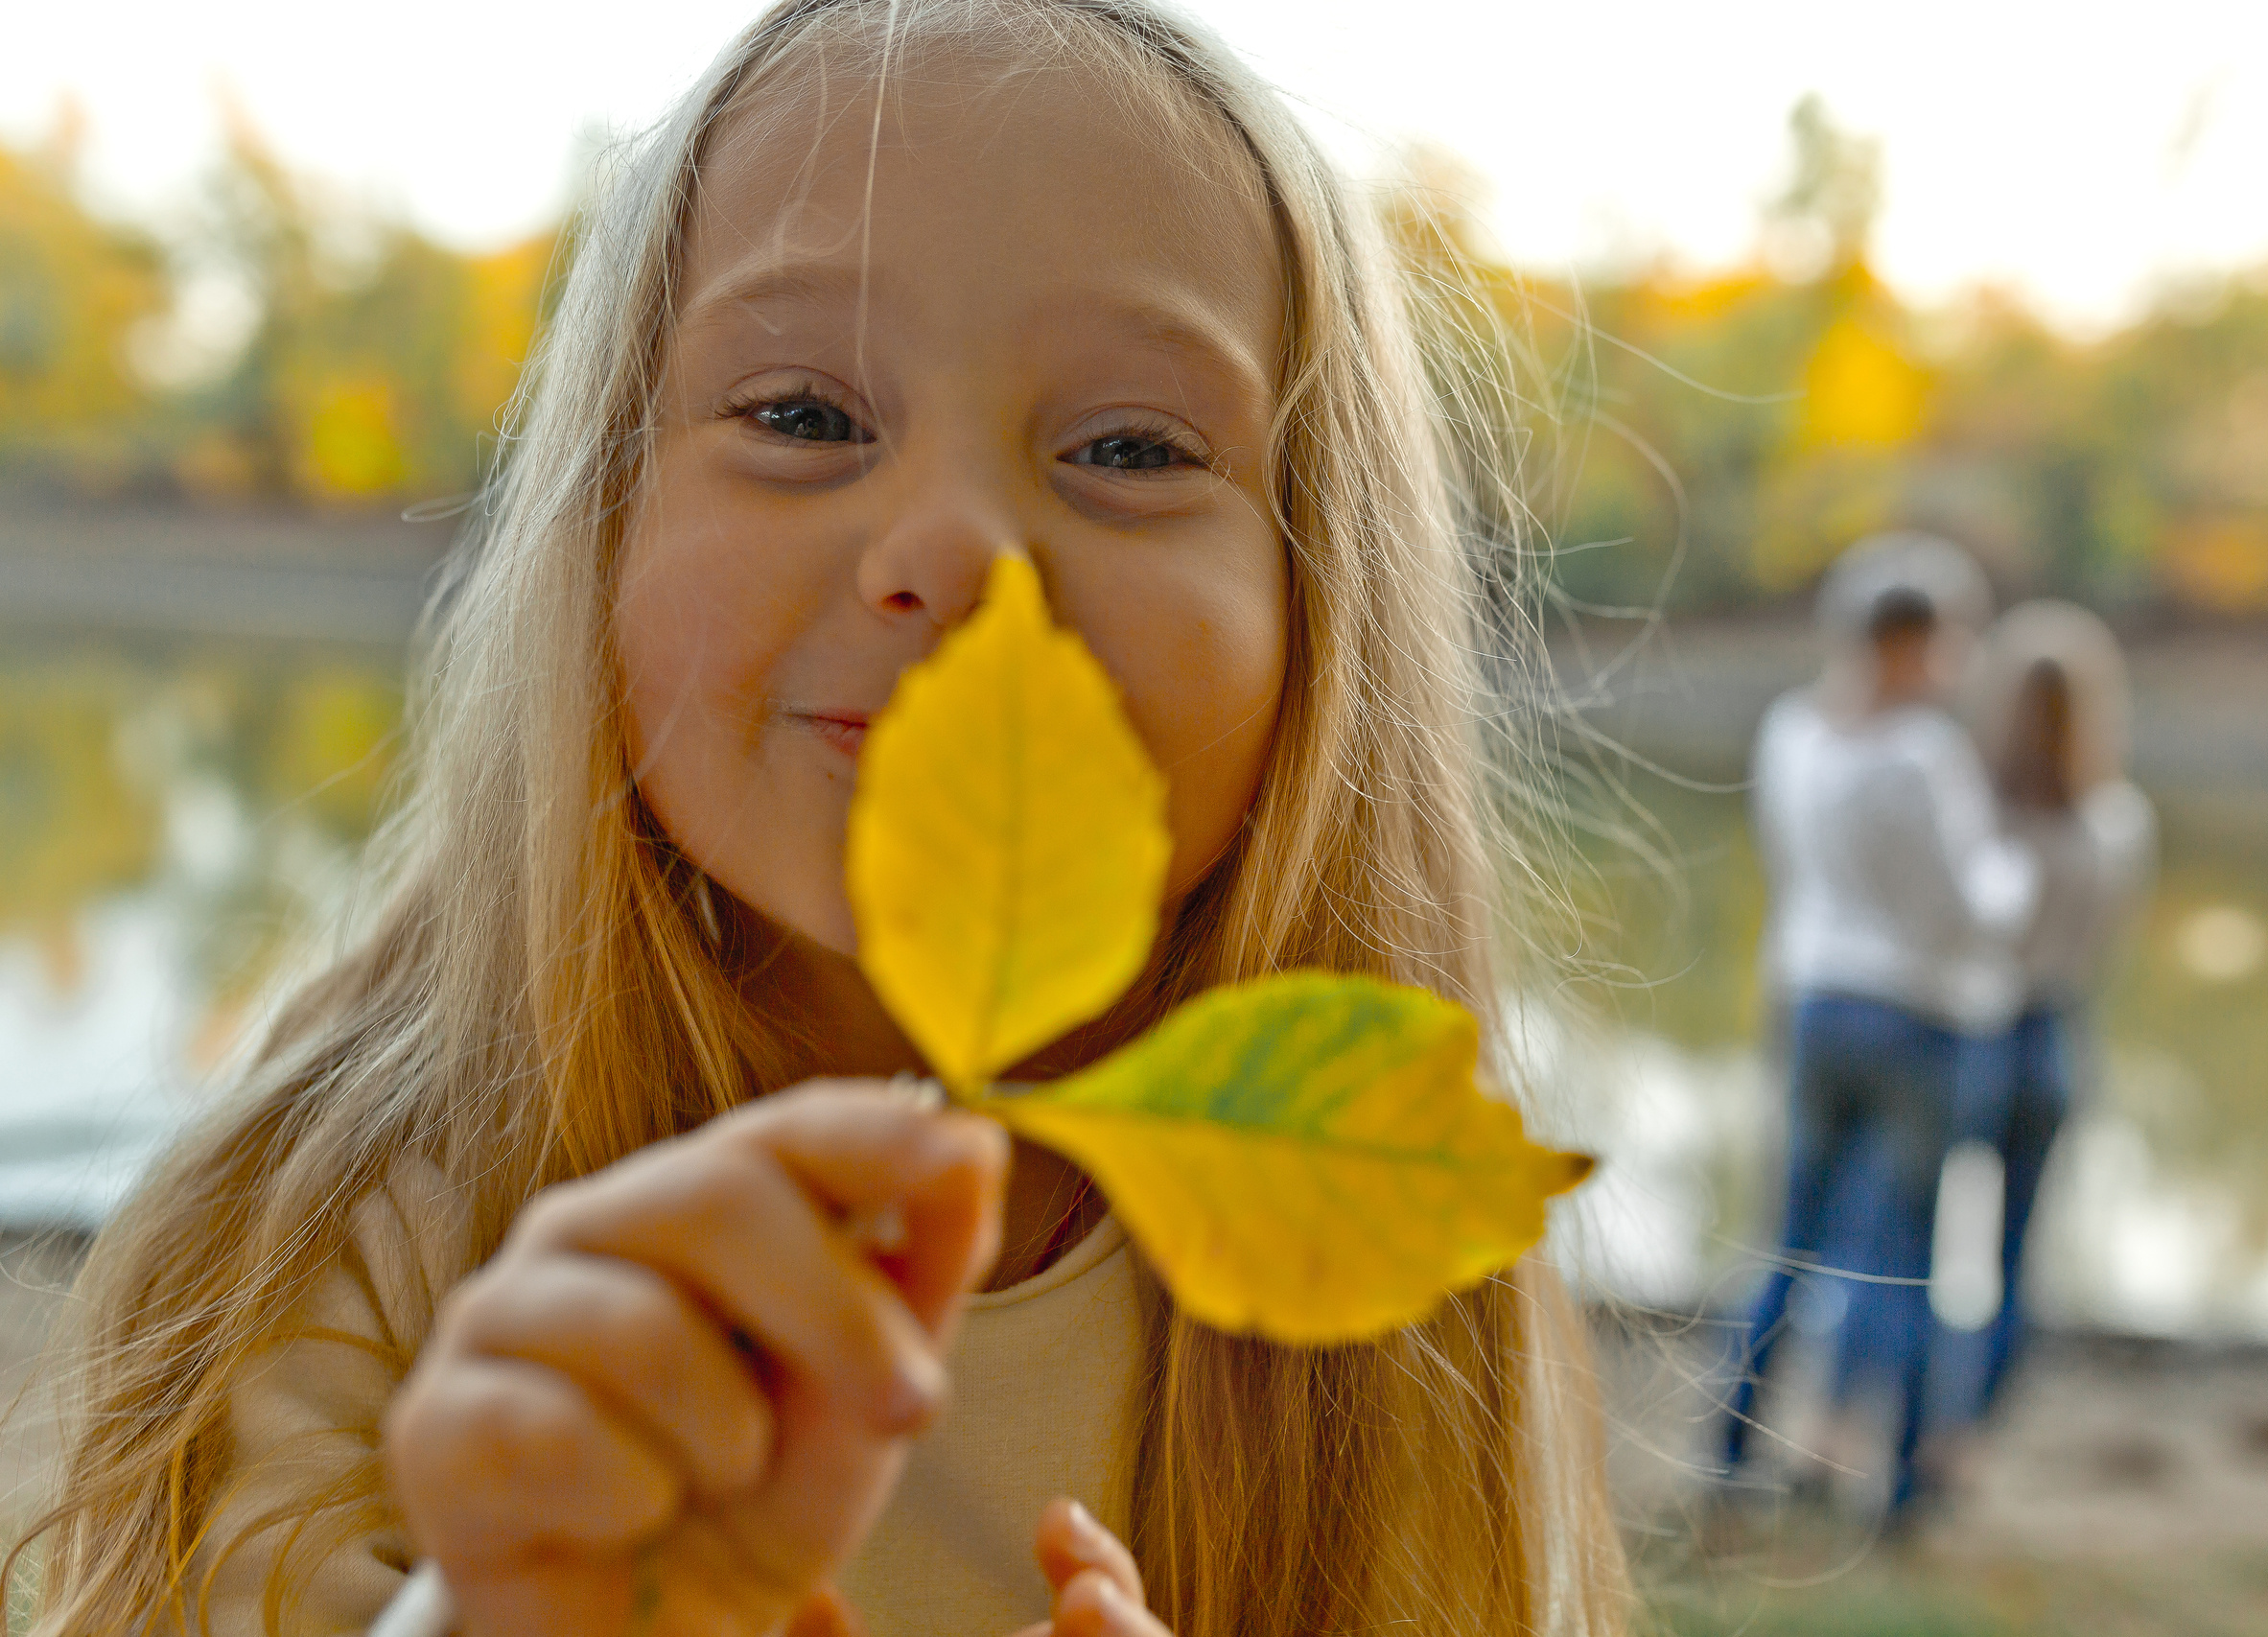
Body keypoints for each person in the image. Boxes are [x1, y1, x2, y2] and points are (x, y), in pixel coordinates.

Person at [9, 6, 1630, 1635]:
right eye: (803, 417)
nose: (956, 545)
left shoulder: (1398, 1297)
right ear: (605, 518)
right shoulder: (332, 1220)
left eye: (1133, 446)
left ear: (1322, 604)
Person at [1719, 532, 2035, 1519]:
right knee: (1901, 1255)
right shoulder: (1921, 753)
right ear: (1907, 643)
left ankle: (1729, 1451)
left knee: (1789, 1242)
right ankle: (1895, 1485)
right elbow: (1967, 906)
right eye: (1949, 639)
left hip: (1813, 1000)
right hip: (1914, 1016)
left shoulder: (1791, 730)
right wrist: (2018, 876)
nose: (1958, 661)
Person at [1955, 600, 2154, 1416]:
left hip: (1973, 1033)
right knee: (2014, 1257)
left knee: (1923, 1245)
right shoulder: (2118, 822)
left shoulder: (1975, 812)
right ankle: (1965, 1439)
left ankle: (1905, 1421)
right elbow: (2107, 943)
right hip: (2059, 1036)